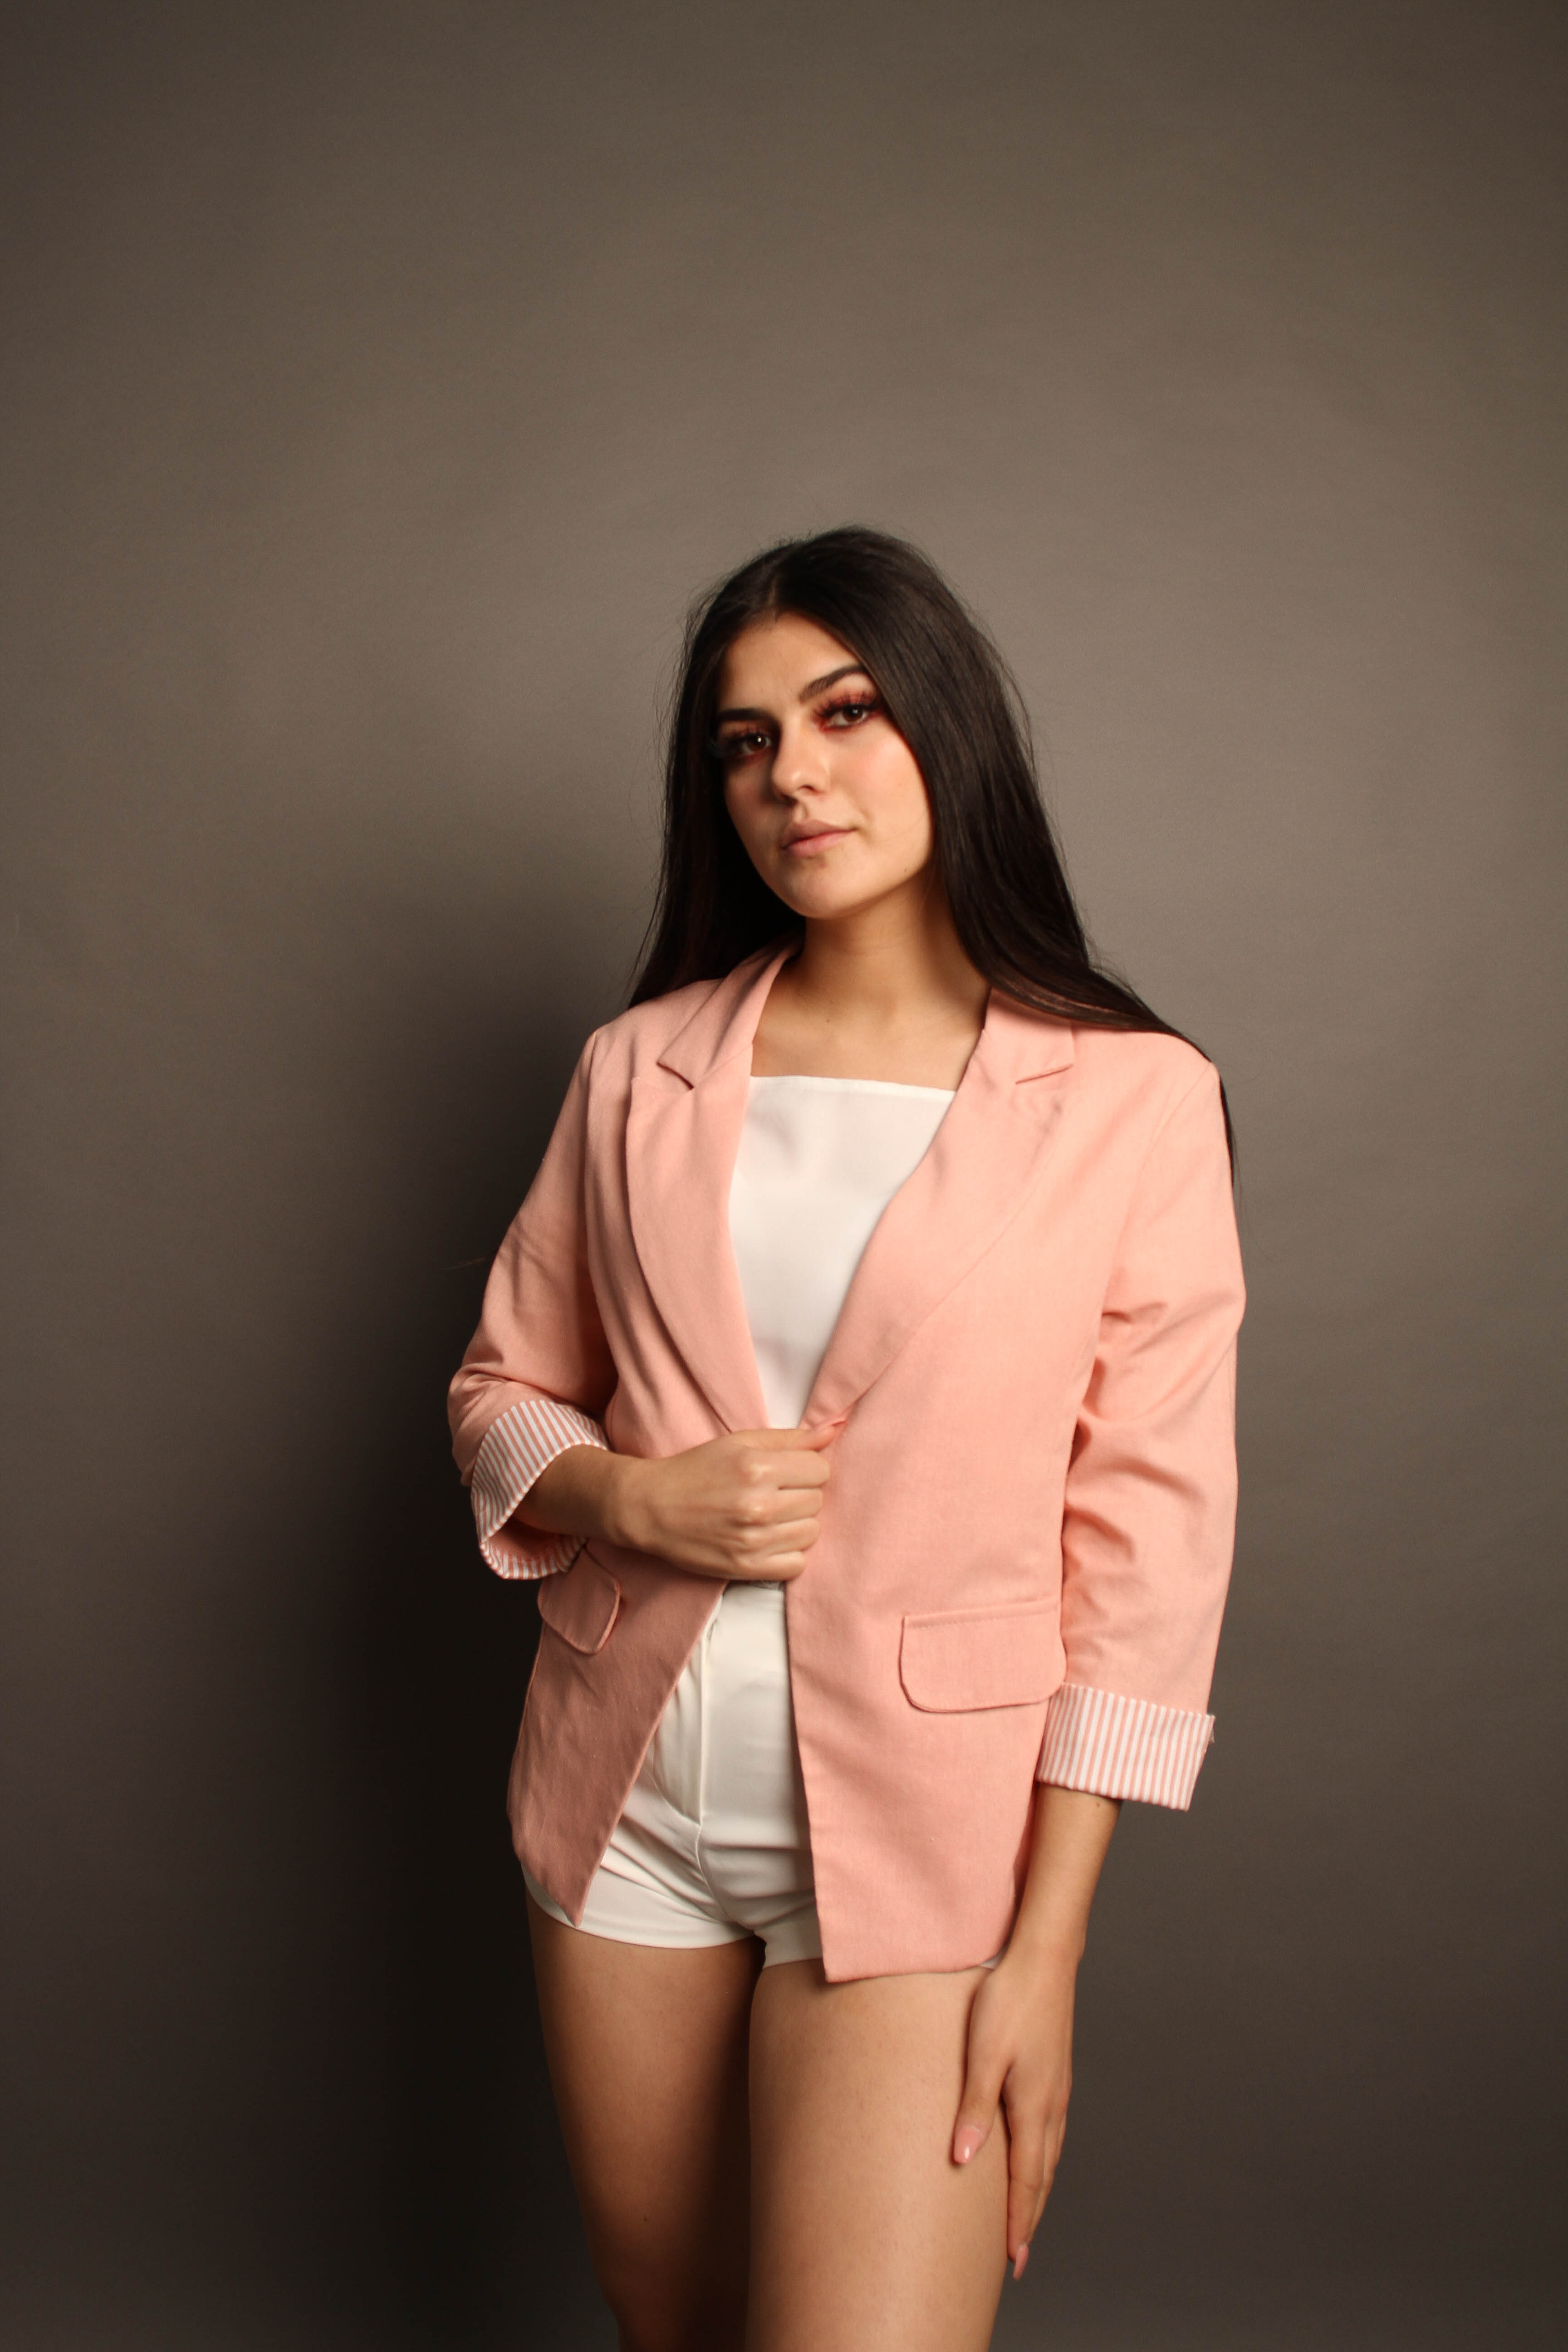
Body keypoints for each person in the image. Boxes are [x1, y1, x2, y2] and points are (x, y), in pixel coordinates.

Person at [448, 527, 1244, 2352]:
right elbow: (499, 1389)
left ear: (946, 727)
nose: (791, 775)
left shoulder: (1138, 1101)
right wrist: (634, 1496)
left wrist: (1048, 1951)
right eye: (744, 743)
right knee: (673, 2323)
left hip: (928, 1847)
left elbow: (1146, 1556)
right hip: (622, 1816)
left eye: (844, 712)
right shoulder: (638, 1068)